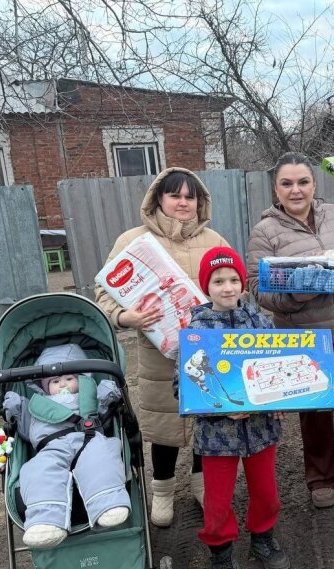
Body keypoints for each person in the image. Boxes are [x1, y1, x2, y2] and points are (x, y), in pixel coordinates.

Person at [246, 152, 334, 511]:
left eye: (303, 182)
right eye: (286, 183)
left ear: (314, 184)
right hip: (304, 338)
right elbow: (260, 291)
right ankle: (322, 478)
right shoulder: (265, 232)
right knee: (314, 411)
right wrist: (299, 289)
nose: (296, 190)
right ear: (275, 189)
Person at [95, 167, 229, 527]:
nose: (183, 203)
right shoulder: (132, 242)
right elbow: (103, 292)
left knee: (207, 416)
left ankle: (201, 483)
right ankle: (163, 490)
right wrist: (125, 317)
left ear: (200, 201)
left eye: (190, 196)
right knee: (165, 425)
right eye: (175, 195)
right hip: (158, 354)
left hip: (207, 351)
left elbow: (234, 284)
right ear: (159, 199)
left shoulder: (215, 241)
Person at [174, 247, 289, 569]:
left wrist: (282, 397)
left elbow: (279, 369)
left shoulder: (260, 321)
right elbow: (183, 385)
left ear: (243, 283)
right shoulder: (195, 329)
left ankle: (263, 537)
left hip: (261, 430)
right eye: (218, 281)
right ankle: (221, 552)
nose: (227, 287)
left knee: (267, 492)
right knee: (218, 501)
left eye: (234, 279)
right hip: (216, 434)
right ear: (206, 286)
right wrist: (218, 409)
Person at [2, 344, 130, 549]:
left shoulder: (88, 395)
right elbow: (25, 430)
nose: (63, 384)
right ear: (43, 386)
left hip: (88, 437)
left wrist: (108, 395)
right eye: (55, 381)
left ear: (82, 379)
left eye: (70, 378)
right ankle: (46, 521)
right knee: (37, 469)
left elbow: (105, 413)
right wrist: (16, 408)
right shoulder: (35, 405)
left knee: (102, 455)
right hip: (51, 447)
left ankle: (108, 503)